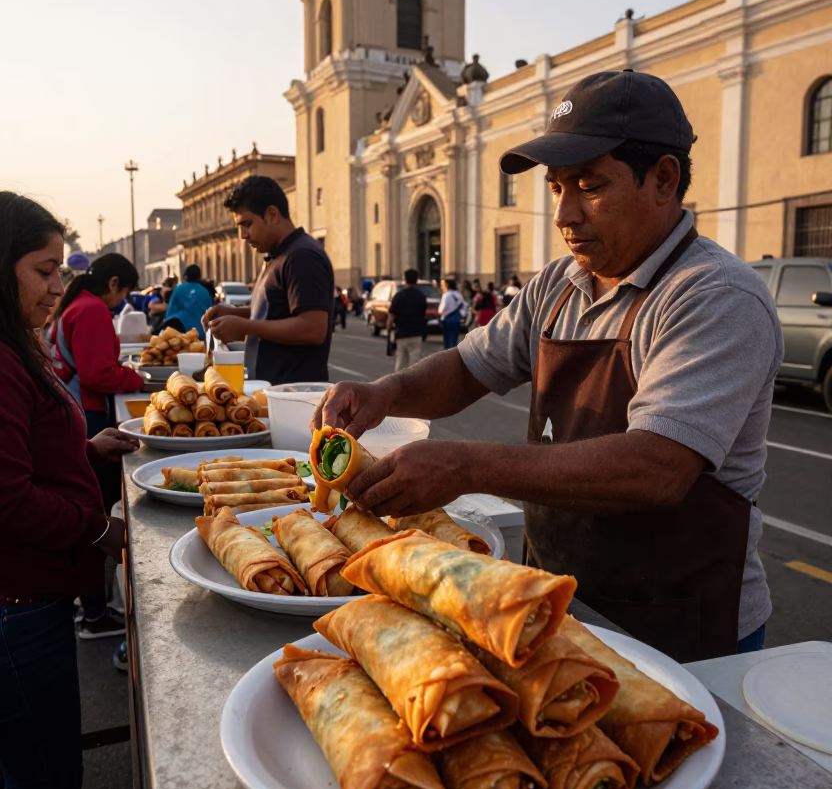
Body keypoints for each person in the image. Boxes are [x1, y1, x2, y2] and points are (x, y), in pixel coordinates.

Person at [314, 70, 784, 664]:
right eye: (557, 188)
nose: (565, 213)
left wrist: (463, 464)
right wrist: (385, 391)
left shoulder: (713, 296)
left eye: (589, 186)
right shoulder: (560, 284)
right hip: (555, 603)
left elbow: (656, 467)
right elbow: (467, 366)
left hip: (682, 626)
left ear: (664, 179)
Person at [0, 191, 140, 789]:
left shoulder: (20, 344)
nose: (60, 285)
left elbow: (32, 457)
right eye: (44, 270)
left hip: (29, 605)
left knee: (32, 777)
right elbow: (8, 498)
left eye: (63, 269)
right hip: (18, 614)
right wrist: (97, 530)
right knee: (44, 785)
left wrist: (89, 450)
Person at [49, 253, 144, 639]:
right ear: (114, 283)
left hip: (79, 412)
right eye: (125, 292)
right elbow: (97, 373)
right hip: (88, 415)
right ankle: (94, 614)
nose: (123, 301)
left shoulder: (77, 304)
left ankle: (90, 608)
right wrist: (135, 378)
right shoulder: (90, 310)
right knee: (94, 512)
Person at [203, 176, 334, 384]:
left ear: (272, 214)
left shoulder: (302, 256)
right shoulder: (276, 255)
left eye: (247, 224)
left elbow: (313, 328)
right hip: (272, 391)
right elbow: (275, 312)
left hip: (295, 396)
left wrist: (245, 326)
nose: (242, 235)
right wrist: (233, 314)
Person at [386, 269, 427, 372]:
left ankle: (400, 386)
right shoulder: (421, 296)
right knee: (415, 364)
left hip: (402, 333)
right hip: (417, 333)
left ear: (405, 280)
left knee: (400, 364)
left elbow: (391, 316)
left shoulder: (399, 296)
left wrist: (389, 330)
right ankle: (414, 385)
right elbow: (423, 314)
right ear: (417, 280)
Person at [163, 264, 213, 338]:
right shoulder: (205, 292)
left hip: (181, 334)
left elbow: (170, 312)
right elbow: (210, 313)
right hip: (202, 334)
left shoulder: (179, 289)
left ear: (185, 277)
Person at [437, 277, 465, 349]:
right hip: (456, 319)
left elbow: (441, 309)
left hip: (447, 319)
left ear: (447, 285)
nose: (441, 287)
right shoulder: (459, 294)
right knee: (454, 339)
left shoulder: (446, 295)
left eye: (442, 285)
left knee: (447, 340)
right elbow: (462, 307)